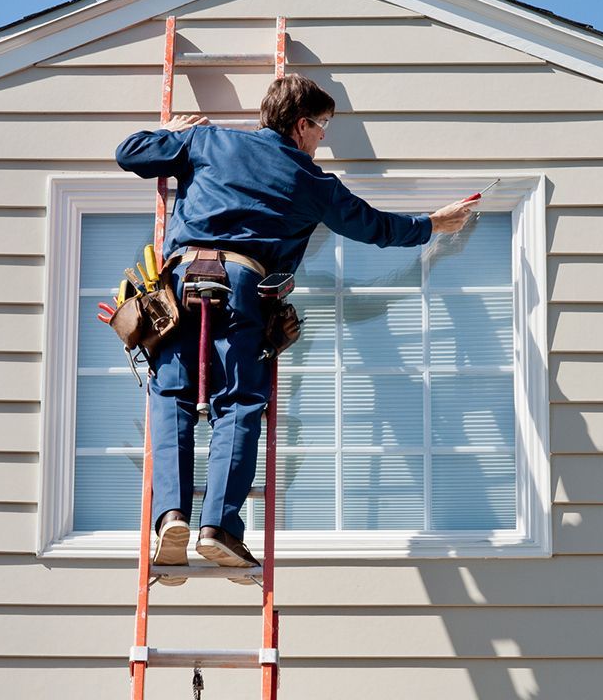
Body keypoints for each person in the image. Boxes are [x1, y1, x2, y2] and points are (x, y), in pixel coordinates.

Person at [113, 75, 479, 580]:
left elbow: (130, 154)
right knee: (238, 405)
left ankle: (171, 517)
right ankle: (217, 527)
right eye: (323, 126)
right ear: (301, 124)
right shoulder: (313, 182)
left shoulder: (209, 139)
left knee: (172, 397)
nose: (323, 138)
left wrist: (169, 130)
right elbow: (376, 227)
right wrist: (434, 223)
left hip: (177, 289)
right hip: (241, 287)